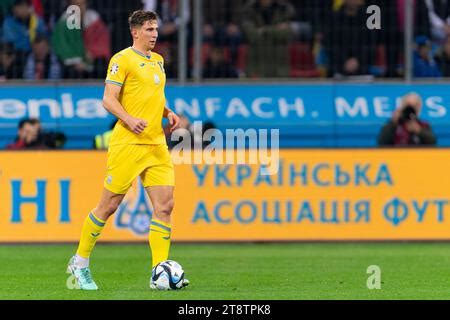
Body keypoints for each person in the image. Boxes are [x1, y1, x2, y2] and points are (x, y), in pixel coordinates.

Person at [66, 10, 189, 291]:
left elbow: (152, 95)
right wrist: (129, 119)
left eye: (156, 29)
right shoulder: (122, 60)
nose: (155, 34)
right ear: (135, 32)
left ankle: (159, 272)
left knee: (165, 206)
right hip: (129, 143)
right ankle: (80, 261)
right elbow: (108, 99)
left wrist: (167, 111)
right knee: (108, 207)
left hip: (156, 143)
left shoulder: (157, 61)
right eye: (148, 29)